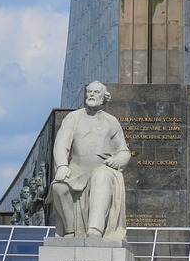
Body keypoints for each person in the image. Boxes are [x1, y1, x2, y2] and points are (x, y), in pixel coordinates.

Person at [48, 81, 130, 239]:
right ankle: (70, 231)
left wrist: (117, 161)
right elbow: (61, 144)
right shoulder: (73, 117)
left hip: (102, 168)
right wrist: (62, 166)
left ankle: (95, 230)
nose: (91, 95)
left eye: (96, 92)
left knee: (101, 177)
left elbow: (124, 152)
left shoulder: (111, 121)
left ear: (103, 97)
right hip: (76, 169)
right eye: (89, 92)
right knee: (58, 186)